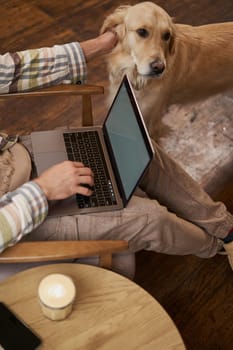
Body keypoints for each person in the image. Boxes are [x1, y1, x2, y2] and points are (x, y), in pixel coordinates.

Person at [0, 32, 233, 279]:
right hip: (18, 220)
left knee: (135, 145)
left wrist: (101, 44)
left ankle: (225, 228)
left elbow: (10, 70)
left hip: (14, 157)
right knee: (150, 219)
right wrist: (44, 190)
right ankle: (212, 246)